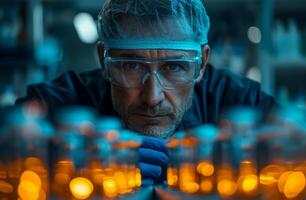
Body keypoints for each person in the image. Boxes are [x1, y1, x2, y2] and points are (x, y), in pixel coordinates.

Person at [16, 0, 275, 185]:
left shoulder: (237, 101)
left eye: (174, 67)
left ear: (202, 63)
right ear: (102, 59)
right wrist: (73, 161)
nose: (152, 97)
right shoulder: (62, 102)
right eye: (131, 65)